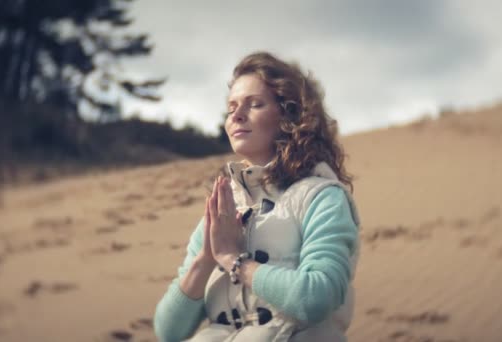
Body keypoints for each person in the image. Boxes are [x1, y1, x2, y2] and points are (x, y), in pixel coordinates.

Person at [153, 51, 361, 342]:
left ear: (289, 115)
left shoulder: (322, 198)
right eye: (232, 107)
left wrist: (236, 261)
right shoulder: (225, 209)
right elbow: (168, 331)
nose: (237, 115)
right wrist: (207, 258)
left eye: (255, 104)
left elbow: (317, 297)